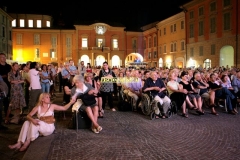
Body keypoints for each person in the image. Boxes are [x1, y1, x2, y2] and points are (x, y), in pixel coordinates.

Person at [8, 93, 75, 151]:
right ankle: (19, 142)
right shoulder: (38, 107)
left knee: (36, 121)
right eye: (47, 97)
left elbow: (64, 108)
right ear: (42, 99)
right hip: (41, 127)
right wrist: (32, 120)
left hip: (49, 127)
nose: (49, 98)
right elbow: (28, 116)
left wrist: (71, 102)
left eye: (49, 97)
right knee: (27, 122)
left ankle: (27, 141)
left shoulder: (52, 106)